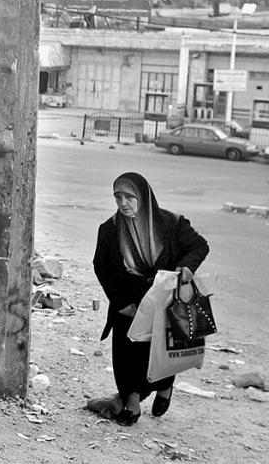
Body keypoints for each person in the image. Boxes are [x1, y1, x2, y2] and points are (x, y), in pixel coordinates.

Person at [93, 172, 210, 426]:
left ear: (143, 197)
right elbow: (101, 266)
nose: (123, 203)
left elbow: (199, 246)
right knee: (126, 353)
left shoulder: (171, 223)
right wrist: (121, 301)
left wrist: (187, 267)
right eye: (118, 197)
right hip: (129, 301)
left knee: (162, 349)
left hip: (164, 297)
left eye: (129, 197)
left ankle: (165, 387)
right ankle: (132, 403)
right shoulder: (109, 229)